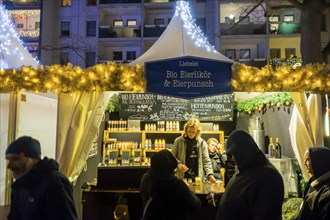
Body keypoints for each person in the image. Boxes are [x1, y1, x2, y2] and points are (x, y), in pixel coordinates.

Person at [207, 129, 284, 220]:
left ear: (244, 150)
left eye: (234, 154)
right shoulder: (244, 170)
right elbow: (241, 199)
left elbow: (264, 214)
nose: (233, 158)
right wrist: (221, 199)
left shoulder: (268, 177)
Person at [5, 136, 78, 220]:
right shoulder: (19, 186)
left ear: (32, 159)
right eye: (8, 160)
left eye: (15, 159)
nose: (9, 166)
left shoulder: (54, 182)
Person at [140, 149, 201, 220]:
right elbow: (196, 205)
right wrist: (187, 189)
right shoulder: (177, 184)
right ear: (170, 165)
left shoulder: (146, 179)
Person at [171, 118, 216, 183]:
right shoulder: (179, 141)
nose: (191, 134)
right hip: (182, 177)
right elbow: (171, 157)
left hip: (198, 177)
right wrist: (178, 164)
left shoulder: (202, 143)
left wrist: (210, 175)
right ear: (186, 130)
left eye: (193, 132)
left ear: (197, 132)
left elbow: (206, 161)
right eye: (189, 131)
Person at [294, 146, 330, 220]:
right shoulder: (314, 181)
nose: (304, 163)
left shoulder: (326, 193)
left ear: (318, 161)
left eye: (307, 159)